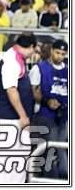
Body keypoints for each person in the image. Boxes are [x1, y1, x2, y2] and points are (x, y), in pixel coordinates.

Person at [0, 33, 37, 183]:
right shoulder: (10, 60)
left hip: (19, 118)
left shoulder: (18, 58)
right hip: (11, 118)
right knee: (7, 159)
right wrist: (23, 116)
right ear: (31, 47)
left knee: (20, 158)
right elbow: (11, 90)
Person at [29, 40, 68, 179]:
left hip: (64, 116)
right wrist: (47, 100)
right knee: (50, 148)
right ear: (52, 51)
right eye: (57, 52)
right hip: (44, 115)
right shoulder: (39, 68)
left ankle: (63, 179)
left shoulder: (68, 70)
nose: (60, 56)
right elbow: (33, 91)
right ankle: (52, 180)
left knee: (62, 148)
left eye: (63, 54)